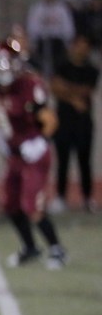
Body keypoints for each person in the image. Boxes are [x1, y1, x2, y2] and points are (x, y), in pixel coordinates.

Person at [0, 38, 67, 269]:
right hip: (15, 155)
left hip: (34, 153)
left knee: (31, 205)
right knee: (10, 204)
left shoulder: (29, 85)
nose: (3, 69)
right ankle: (30, 248)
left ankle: (57, 249)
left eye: (8, 63)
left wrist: (40, 141)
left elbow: (50, 119)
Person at [50, 33, 98, 213]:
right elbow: (54, 87)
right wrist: (72, 97)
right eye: (80, 44)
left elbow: (87, 90)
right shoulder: (62, 65)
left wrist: (66, 89)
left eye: (86, 45)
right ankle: (60, 197)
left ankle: (87, 197)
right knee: (62, 161)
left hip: (84, 123)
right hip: (63, 121)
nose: (82, 48)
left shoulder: (91, 69)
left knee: (84, 161)